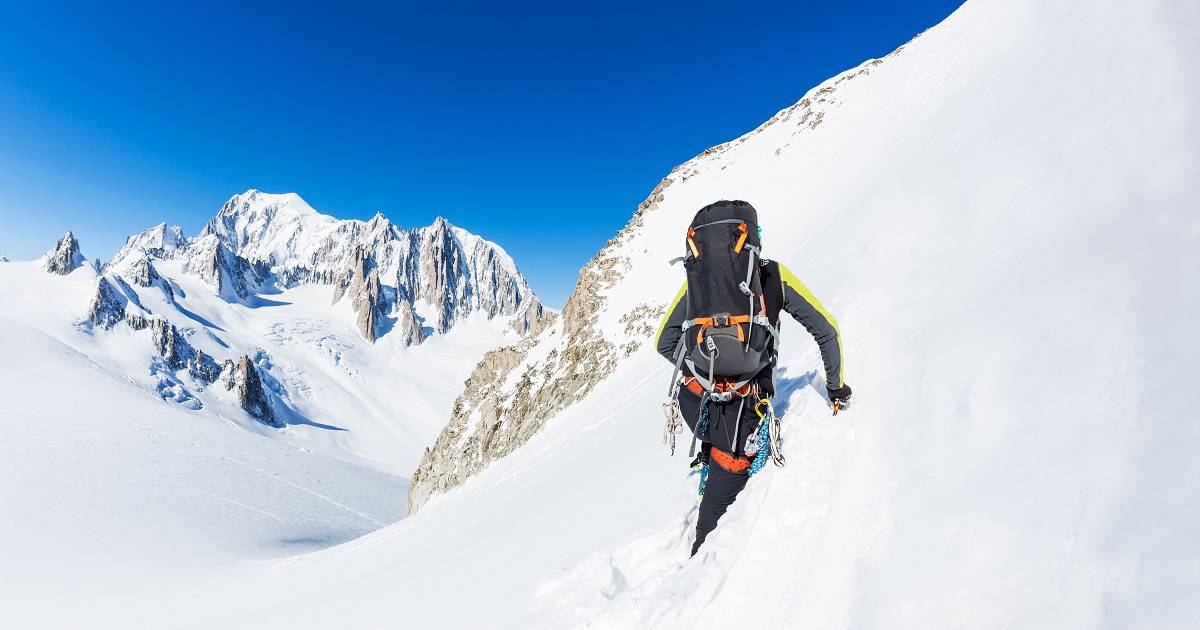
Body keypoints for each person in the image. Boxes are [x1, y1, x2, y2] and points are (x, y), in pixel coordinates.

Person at [654, 200, 851, 556]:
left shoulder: (699, 281)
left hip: (694, 400)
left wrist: (705, 372)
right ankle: (693, 579)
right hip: (743, 415)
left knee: (714, 468)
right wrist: (836, 388)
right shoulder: (774, 275)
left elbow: (664, 342)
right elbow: (827, 331)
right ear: (752, 241)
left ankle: (707, 456)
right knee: (711, 525)